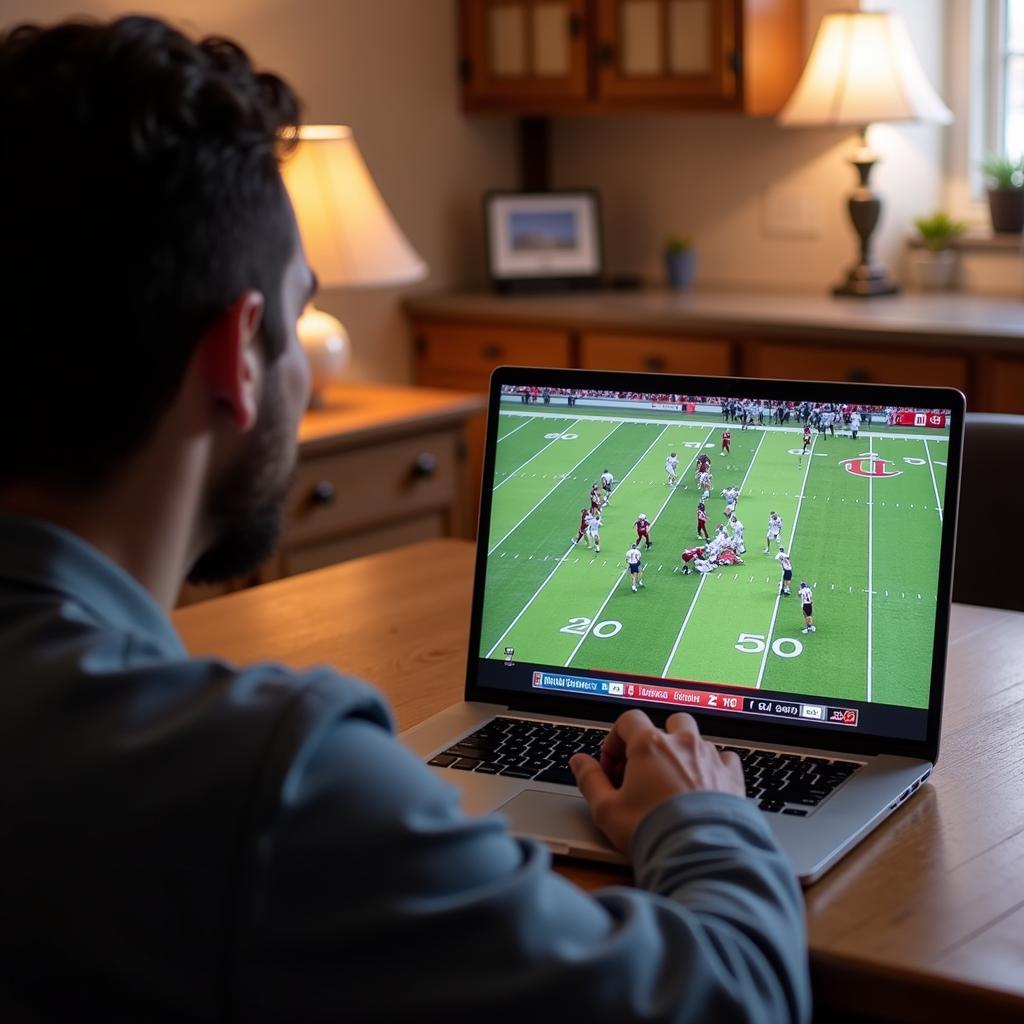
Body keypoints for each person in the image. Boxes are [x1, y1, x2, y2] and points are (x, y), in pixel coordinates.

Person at [0, 16, 809, 1023]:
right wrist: (701, 819)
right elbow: (736, 999)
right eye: (298, 316)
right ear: (234, 355)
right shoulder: (269, 777)